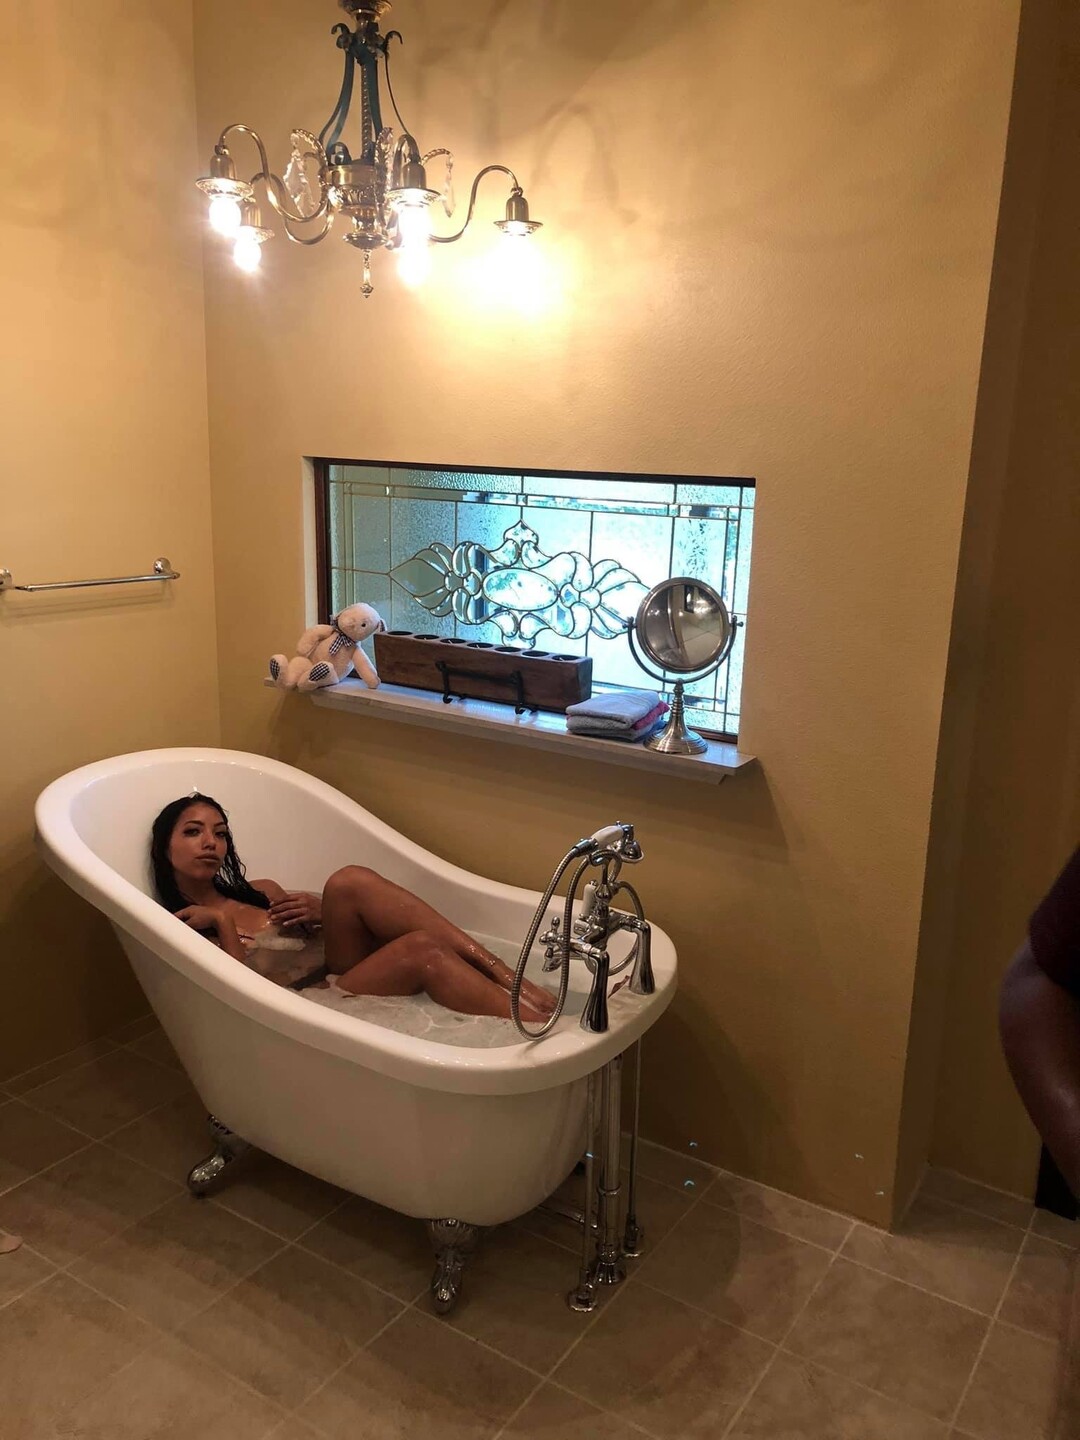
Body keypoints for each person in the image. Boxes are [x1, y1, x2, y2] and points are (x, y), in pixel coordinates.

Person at [150, 794, 555, 1024]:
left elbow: (321, 938)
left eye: (220, 833)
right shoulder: (185, 925)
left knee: (349, 881)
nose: (211, 842)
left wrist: (321, 912)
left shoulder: (262, 891)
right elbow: (239, 1001)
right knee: (423, 949)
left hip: (336, 968)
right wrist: (222, 922)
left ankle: (507, 976)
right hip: (308, 1004)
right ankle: (538, 1026)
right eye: (193, 832)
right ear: (165, 847)